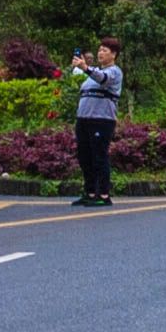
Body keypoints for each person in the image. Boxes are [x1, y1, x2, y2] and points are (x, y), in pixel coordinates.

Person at [70, 37, 123, 208]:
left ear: (114, 54)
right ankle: (90, 192)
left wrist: (85, 67)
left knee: (99, 156)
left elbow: (103, 78)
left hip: (102, 120)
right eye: (99, 50)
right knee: (85, 157)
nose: (100, 53)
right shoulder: (91, 75)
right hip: (84, 120)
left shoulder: (114, 72)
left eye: (105, 50)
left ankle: (103, 194)